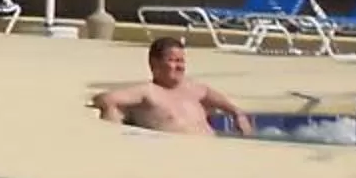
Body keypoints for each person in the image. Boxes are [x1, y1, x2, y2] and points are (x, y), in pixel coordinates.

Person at [93, 35, 253, 136]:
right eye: (173, 61)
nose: (179, 66)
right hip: (174, 156)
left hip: (210, 150)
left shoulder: (195, 89)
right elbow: (105, 99)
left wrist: (238, 114)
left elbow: (226, 104)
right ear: (154, 63)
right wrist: (115, 114)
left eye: (181, 61)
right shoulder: (147, 92)